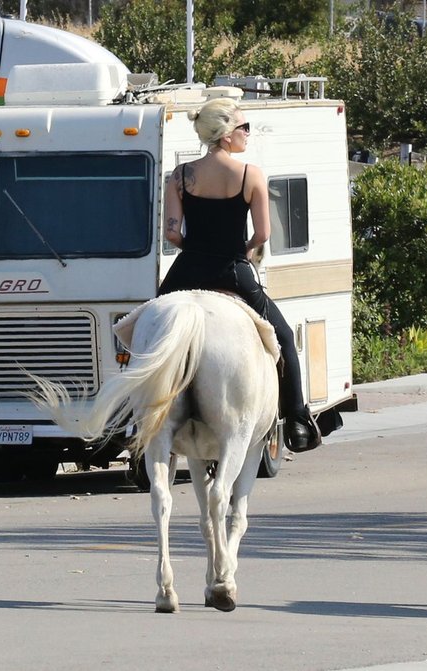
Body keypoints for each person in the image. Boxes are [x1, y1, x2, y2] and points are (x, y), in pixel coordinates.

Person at [159, 97, 321, 453]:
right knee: (281, 336)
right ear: (226, 134)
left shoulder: (181, 176)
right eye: (243, 127)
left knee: (145, 330)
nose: (248, 133)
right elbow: (263, 234)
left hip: (189, 268)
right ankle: (297, 419)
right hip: (233, 269)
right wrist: (244, 249)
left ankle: (132, 416)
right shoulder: (250, 175)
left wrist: (193, 247)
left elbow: (171, 234)